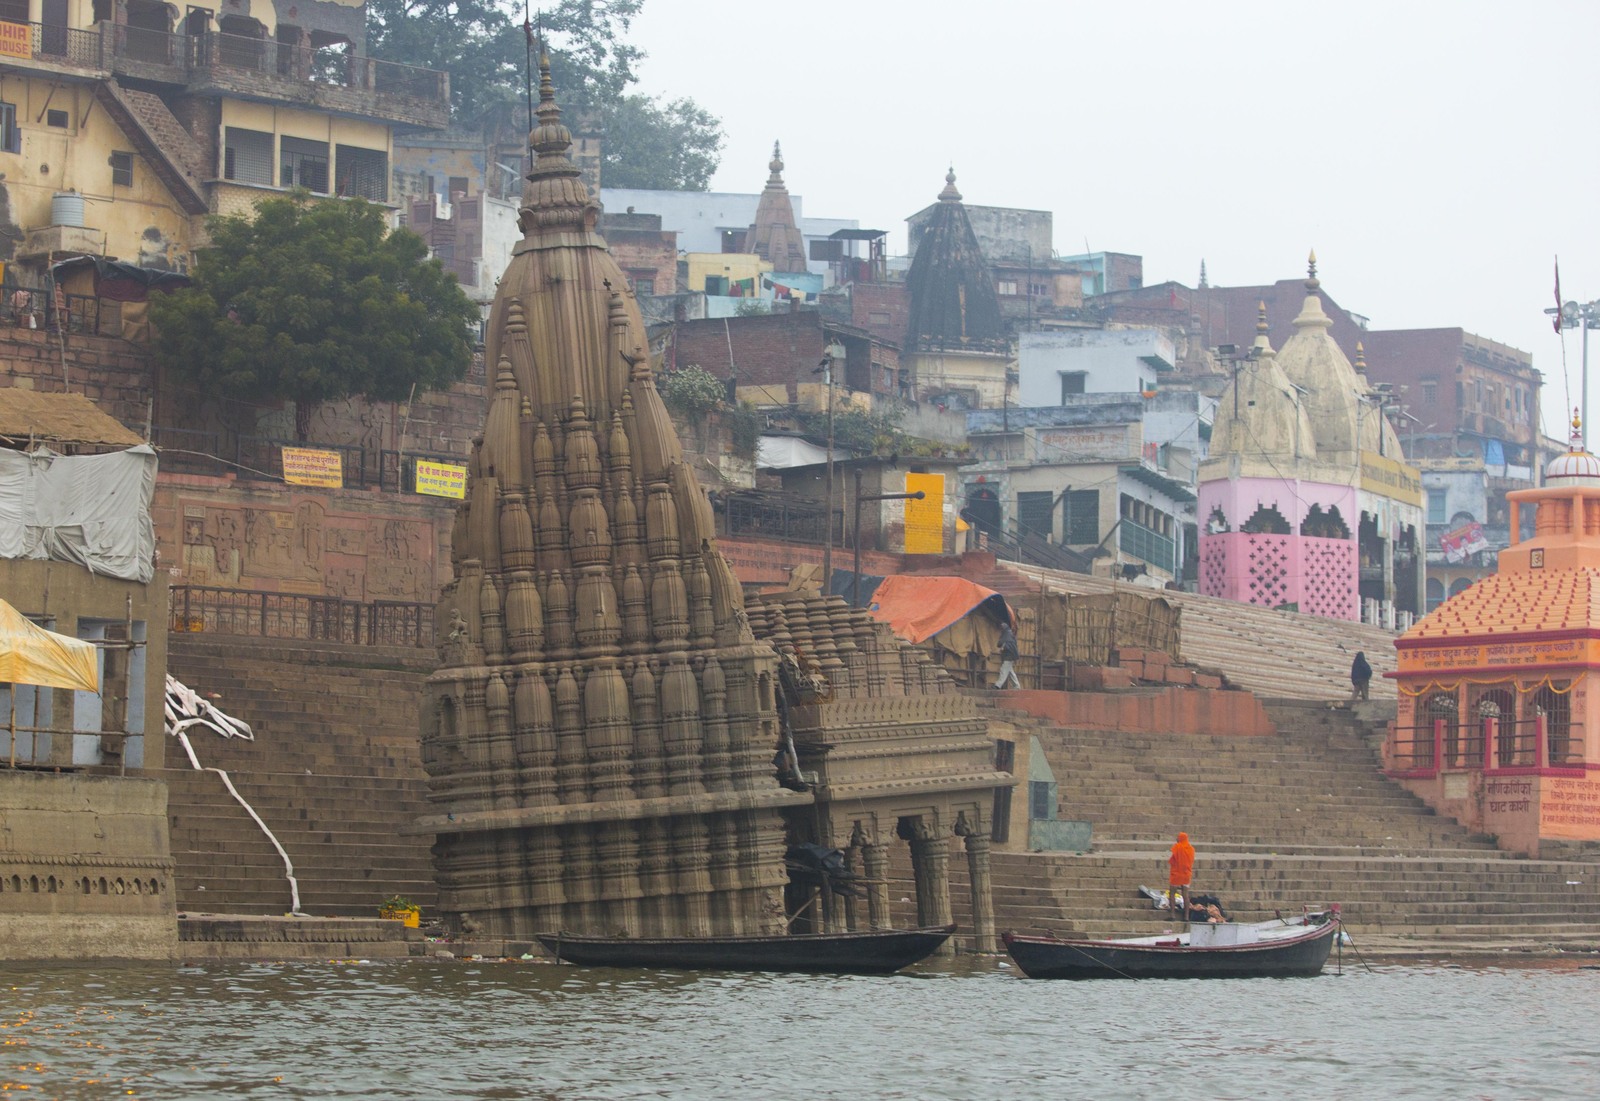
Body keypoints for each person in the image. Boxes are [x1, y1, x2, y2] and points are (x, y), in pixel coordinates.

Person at [1167, 831, 1195, 915]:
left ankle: (1172, 914)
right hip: (1186, 874)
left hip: (1176, 874)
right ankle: (1186, 916)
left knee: (1172, 893)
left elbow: (1173, 859)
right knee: (1185, 895)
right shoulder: (1191, 849)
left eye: (1178, 837)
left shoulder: (1177, 847)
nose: (1177, 839)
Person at [993, 620, 1020, 689]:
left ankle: (998, 685)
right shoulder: (1009, 634)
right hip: (1010, 655)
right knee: (1010, 672)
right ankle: (1017, 686)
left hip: (1009, 655)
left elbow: (1000, 643)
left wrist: (1003, 647)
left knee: (1004, 670)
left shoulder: (1007, 634)